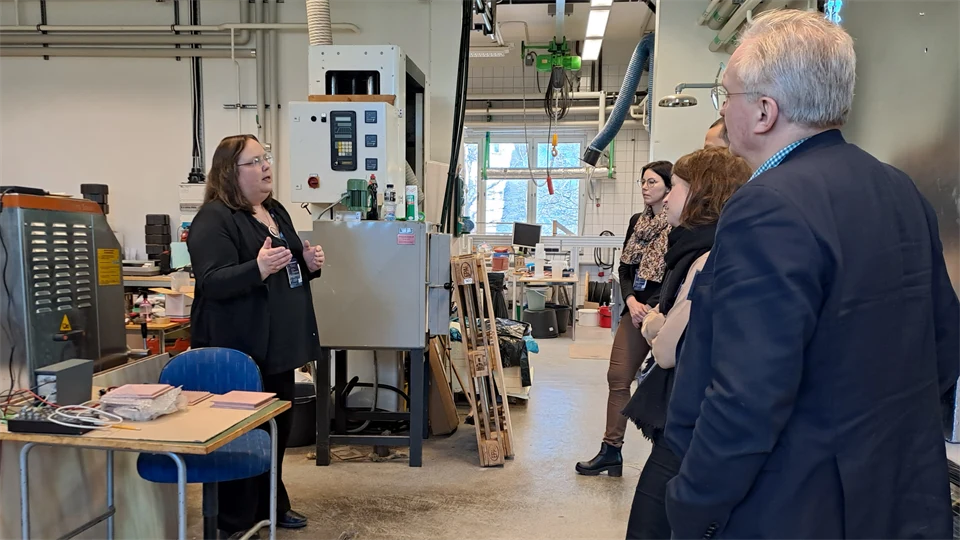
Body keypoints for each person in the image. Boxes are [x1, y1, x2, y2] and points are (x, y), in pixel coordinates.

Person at [665, 10, 960, 540]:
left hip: (795, 506)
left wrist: (692, 507)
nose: (722, 109)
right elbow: (942, 345)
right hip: (897, 497)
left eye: (724, 95)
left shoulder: (767, 206)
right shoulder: (900, 190)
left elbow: (745, 397)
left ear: (762, 111)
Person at [189, 134, 325, 539]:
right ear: (231, 171)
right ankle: (233, 521)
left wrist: (309, 261)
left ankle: (272, 503)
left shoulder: (274, 210)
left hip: (278, 347)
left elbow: (292, 261)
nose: (267, 166)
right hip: (240, 350)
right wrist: (258, 268)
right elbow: (211, 281)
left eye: (266, 158)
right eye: (255, 161)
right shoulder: (214, 218)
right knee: (240, 435)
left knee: (276, 431)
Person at [621, 147, 750, 540]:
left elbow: (666, 347)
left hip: (688, 416)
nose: (665, 198)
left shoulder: (704, 258)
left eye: (673, 187)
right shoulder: (696, 249)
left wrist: (655, 323)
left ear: (699, 195)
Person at [575, 161, 673, 477]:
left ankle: (668, 457)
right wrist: (631, 300)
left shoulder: (680, 224)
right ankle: (610, 451)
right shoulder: (636, 222)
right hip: (634, 312)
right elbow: (625, 268)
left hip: (666, 315)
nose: (645, 187)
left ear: (669, 188)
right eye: (642, 181)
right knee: (618, 378)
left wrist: (654, 307)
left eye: (652, 182)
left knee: (664, 387)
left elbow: (676, 273)